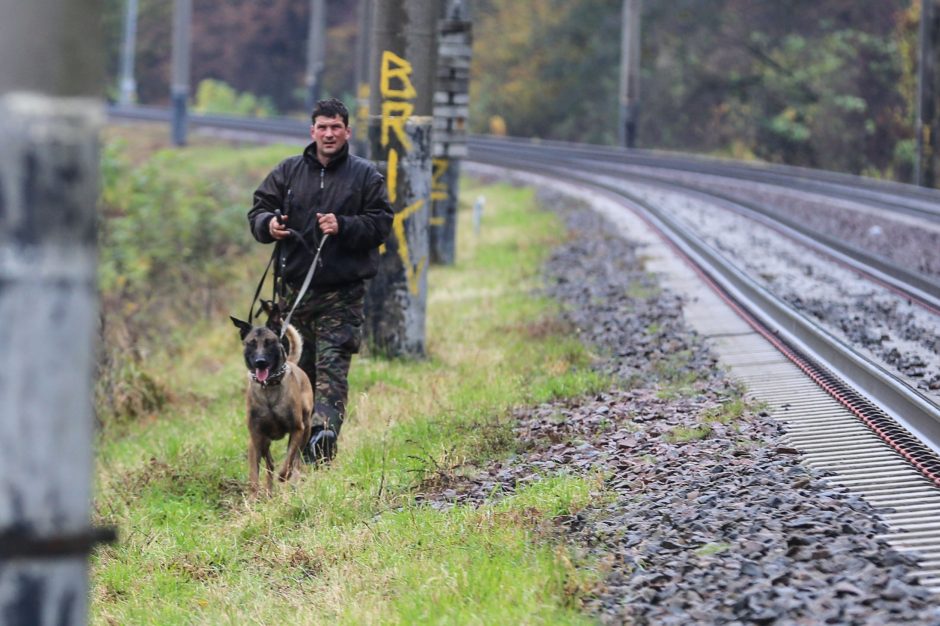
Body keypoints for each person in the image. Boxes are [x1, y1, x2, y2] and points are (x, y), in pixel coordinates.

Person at [247, 98, 393, 464]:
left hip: (341, 296)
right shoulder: (288, 172)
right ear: (312, 131)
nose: (329, 134)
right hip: (293, 297)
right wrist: (270, 225)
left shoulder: (365, 176)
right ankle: (299, 444)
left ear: (347, 131)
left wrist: (343, 225)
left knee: (331, 370)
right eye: (322, 127)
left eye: (336, 127)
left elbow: (381, 223)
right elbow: (258, 210)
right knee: (296, 373)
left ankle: (322, 438)